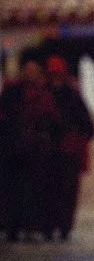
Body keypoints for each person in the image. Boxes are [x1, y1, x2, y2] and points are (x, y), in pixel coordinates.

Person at [0, 59, 59, 241]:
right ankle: (13, 227)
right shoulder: (12, 93)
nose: (30, 75)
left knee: (36, 192)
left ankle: (34, 227)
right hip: (14, 151)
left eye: (34, 72)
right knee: (14, 192)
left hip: (38, 152)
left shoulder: (45, 94)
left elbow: (52, 119)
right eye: (28, 71)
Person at [45, 55, 94, 241]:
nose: (56, 78)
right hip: (48, 152)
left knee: (67, 193)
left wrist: (76, 137)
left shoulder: (73, 96)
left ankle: (64, 227)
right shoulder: (43, 94)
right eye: (53, 74)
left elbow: (87, 125)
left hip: (68, 152)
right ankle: (49, 227)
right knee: (49, 192)